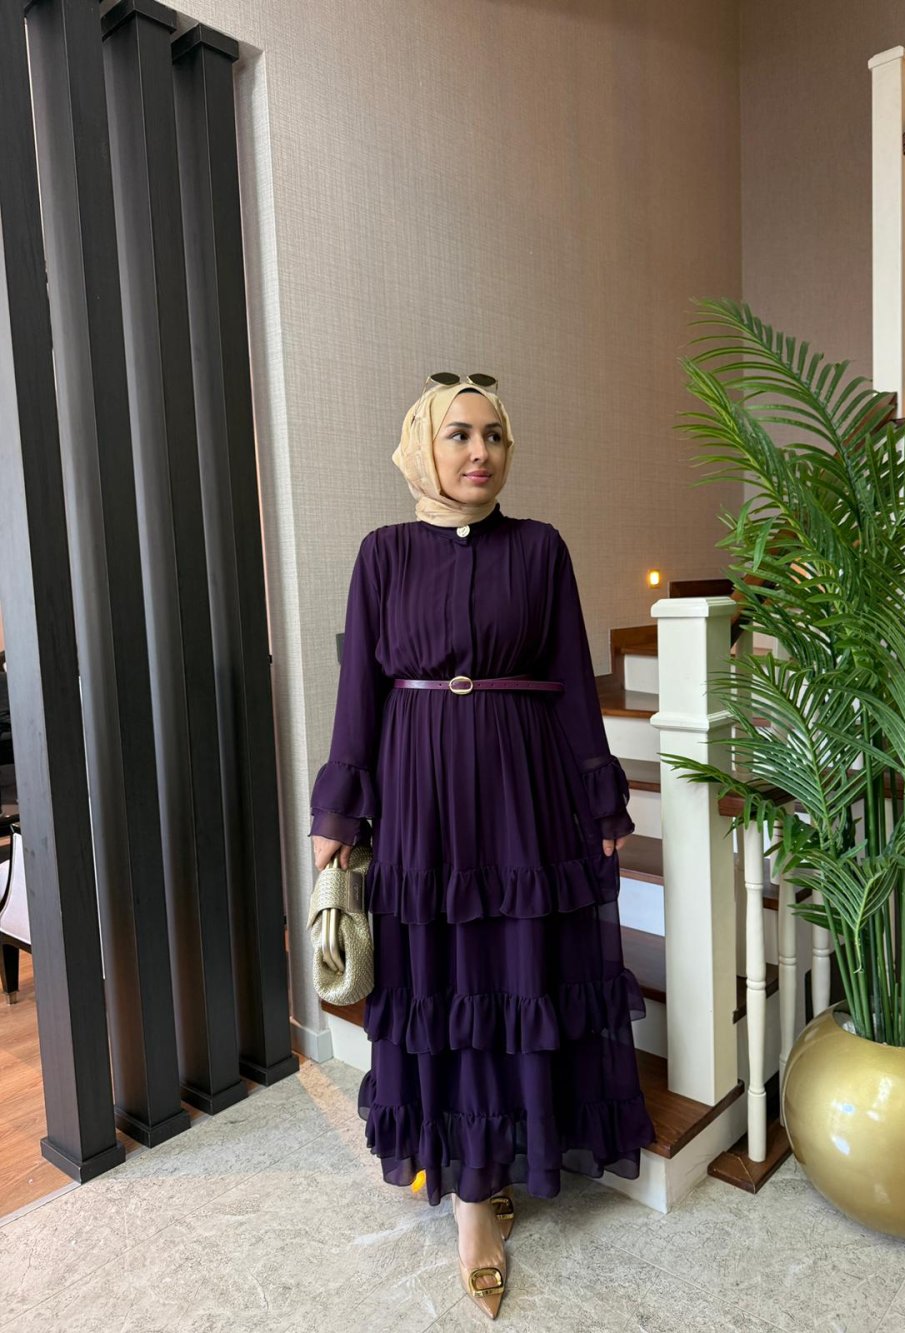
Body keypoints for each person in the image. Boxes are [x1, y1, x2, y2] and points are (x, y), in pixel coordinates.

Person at [309, 373, 656, 1318]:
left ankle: (500, 1160)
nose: (480, 452)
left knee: (517, 973)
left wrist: (601, 801)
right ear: (424, 444)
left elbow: (573, 681)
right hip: (420, 795)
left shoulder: (540, 549)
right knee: (442, 986)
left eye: (495, 435)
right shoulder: (383, 553)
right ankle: (471, 1192)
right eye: (460, 433)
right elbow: (359, 695)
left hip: (523, 791)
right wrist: (337, 812)